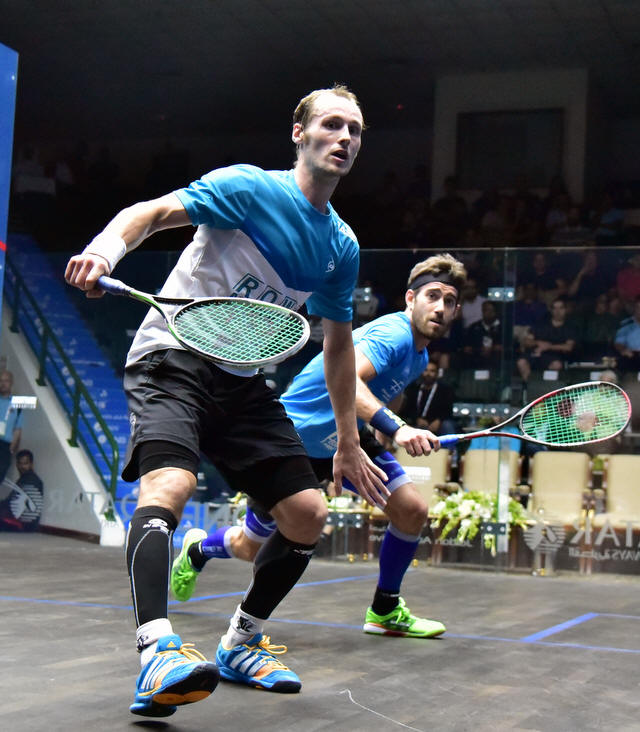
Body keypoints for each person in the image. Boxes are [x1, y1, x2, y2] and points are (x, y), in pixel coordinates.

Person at [64, 84, 388, 717]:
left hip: (241, 382)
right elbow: (152, 213)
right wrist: (104, 251)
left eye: (355, 130)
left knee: (306, 514)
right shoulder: (248, 188)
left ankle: (241, 643)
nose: (345, 138)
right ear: (299, 132)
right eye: (331, 124)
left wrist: (350, 443)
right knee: (171, 484)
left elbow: (338, 346)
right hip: (172, 357)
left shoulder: (340, 247)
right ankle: (156, 650)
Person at [170, 254, 467, 642]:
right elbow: (349, 382)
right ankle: (198, 550)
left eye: (450, 301)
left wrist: (384, 433)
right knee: (250, 547)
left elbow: (387, 390)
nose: (440, 308)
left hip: (347, 439)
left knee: (411, 510)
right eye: (433, 296)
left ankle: (385, 610)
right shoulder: (393, 334)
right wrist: (397, 428)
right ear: (411, 299)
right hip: (294, 440)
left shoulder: (419, 353)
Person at [516, 297, 578, 382]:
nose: (558, 311)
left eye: (561, 308)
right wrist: (538, 342)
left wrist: (548, 347)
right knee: (521, 362)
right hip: (535, 353)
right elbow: (527, 341)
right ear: (551, 310)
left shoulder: (570, 327)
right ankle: (527, 386)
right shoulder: (541, 324)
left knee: (556, 365)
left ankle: (547, 387)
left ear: (566, 310)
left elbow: (568, 347)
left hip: (554, 356)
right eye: (555, 308)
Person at [400, 360, 456, 435]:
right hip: (418, 422)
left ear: (437, 373)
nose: (428, 374)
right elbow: (407, 409)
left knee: (447, 425)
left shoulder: (445, 390)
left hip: (438, 422)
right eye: (425, 370)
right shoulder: (413, 389)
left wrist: (439, 421)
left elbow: (448, 410)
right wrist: (416, 419)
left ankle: (450, 444)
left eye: (432, 371)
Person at [0, 449, 44, 531]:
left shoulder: (32, 481)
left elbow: (13, 504)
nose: (22, 466)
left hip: (24, 524)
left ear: (31, 464)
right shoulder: (24, 479)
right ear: (17, 464)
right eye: (20, 463)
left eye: (25, 463)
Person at [462, 300, 503, 370]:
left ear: (496, 312)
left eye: (491, 310)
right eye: (486, 310)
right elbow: (467, 345)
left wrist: (493, 348)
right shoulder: (474, 327)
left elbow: (506, 346)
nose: (489, 313)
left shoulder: (503, 327)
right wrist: (477, 348)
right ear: (482, 311)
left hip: (495, 357)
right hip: (477, 356)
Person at [0, 370, 23, 483]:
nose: (3, 384)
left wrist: (11, 449)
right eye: (1, 381)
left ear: (11, 383)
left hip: (5, 447)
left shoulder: (17, 404)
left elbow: (18, 429)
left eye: (6, 381)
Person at [613, 296, 640, 371]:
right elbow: (618, 343)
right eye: (638, 307)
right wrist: (624, 350)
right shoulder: (626, 324)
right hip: (631, 358)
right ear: (634, 308)